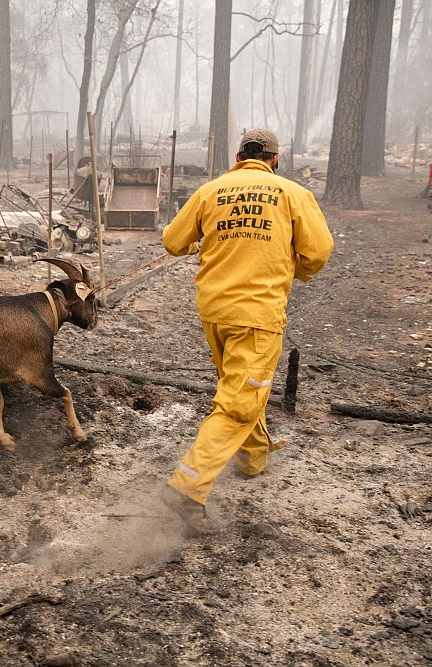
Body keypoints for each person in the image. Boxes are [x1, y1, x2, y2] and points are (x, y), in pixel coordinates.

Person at [159, 128, 334, 534]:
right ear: (275, 158)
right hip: (257, 314)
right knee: (240, 400)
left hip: (215, 310)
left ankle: (252, 460)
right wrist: (299, 271)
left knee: (239, 386)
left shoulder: (210, 191)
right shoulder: (291, 194)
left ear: (239, 156)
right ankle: (187, 487)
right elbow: (319, 251)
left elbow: (172, 242)